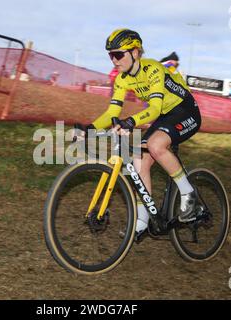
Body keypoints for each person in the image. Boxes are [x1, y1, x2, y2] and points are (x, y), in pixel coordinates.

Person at [74, 29, 202, 241]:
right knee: (138, 160)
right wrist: (89, 129)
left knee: (155, 145)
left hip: (186, 111)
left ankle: (189, 195)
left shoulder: (154, 69)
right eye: (110, 55)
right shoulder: (123, 79)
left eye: (118, 54)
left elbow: (153, 109)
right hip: (165, 116)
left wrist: (130, 121)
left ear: (135, 52)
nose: (114, 60)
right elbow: (112, 113)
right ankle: (142, 221)